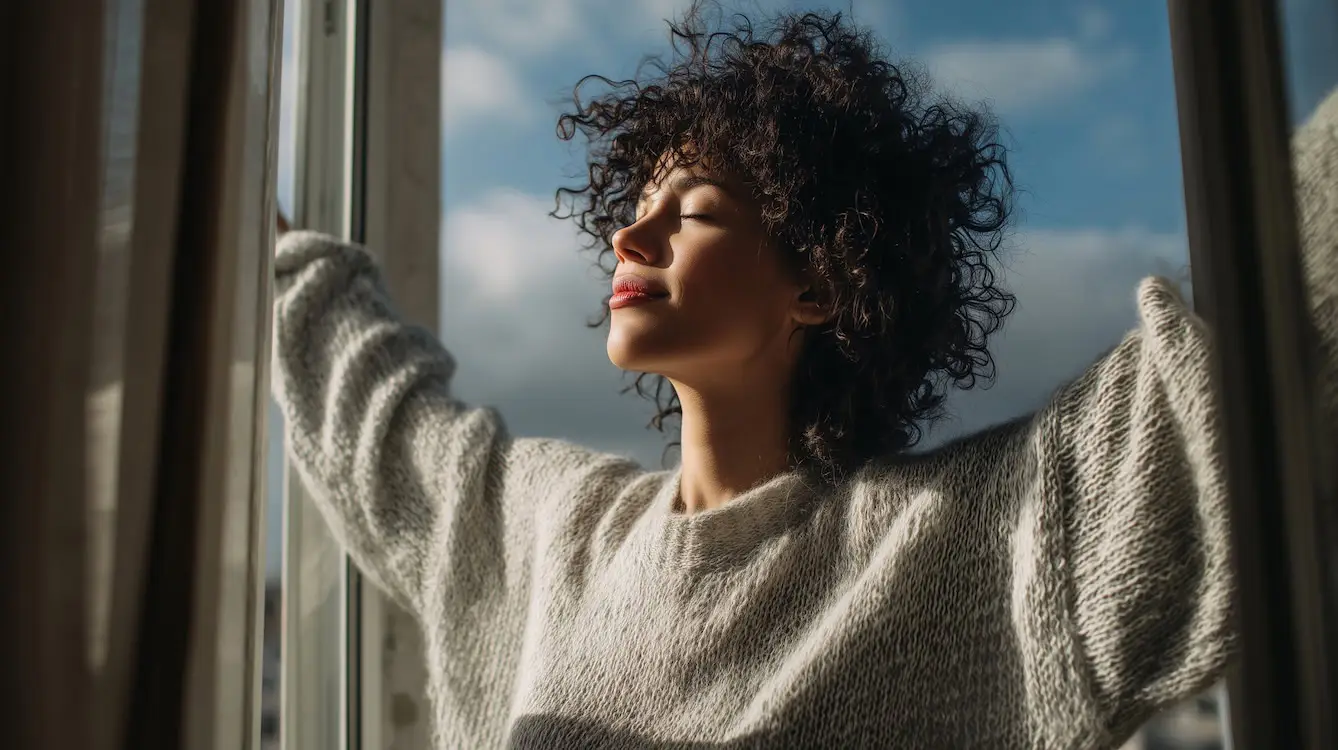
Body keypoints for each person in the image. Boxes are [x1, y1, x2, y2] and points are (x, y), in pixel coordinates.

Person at [272, 6, 1338, 749]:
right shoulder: (554, 529)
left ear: (821, 285)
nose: (630, 236)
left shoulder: (962, 544)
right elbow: (374, 402)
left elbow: (1244, 341)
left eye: (692, 210)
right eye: (636, 207)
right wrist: (239, 208)